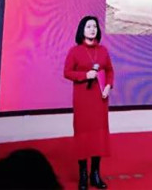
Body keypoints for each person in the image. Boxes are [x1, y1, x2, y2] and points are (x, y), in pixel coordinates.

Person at [64, 16, 114, 190]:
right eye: (88, 26)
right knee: (83, 136)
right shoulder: (75, 51)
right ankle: (83, 175)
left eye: (95, 26)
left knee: (98, 136)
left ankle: (95, 174)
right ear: (82, 30)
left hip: (100, 100)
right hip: (83, 100)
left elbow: (110, 71)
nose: (92, 29)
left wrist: (108, 86)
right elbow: (67, 72)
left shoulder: (103, 51)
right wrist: (85, 75)